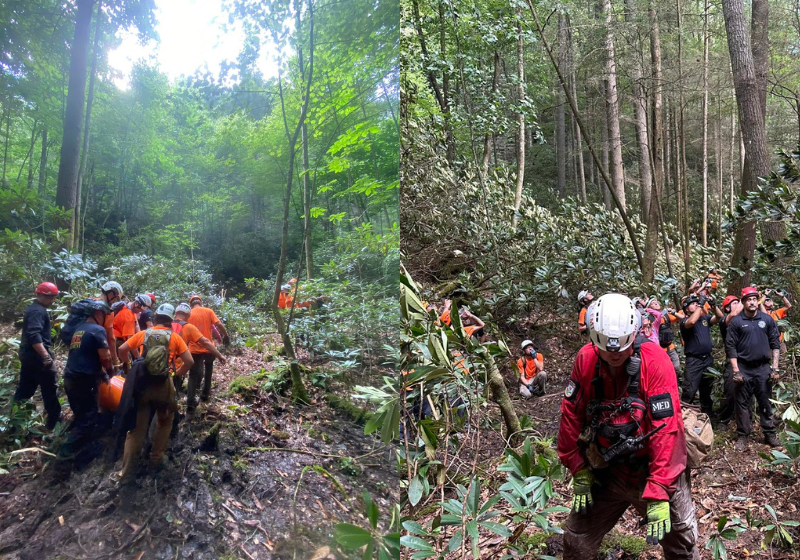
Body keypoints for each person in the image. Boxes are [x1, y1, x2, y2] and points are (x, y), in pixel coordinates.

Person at [558, 293, 697, 559]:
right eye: (608, 351)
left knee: (681, 542)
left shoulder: (654, 360)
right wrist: (577, 467)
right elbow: (571, 415)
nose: (615, 356)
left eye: (622, 349)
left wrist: (659, 488)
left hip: (652, 467)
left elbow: (667, 426)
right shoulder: (586, 359)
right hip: (606, 468)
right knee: (576, 539)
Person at [117, 304, 194, 480]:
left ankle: (126, 471)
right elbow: (189, 361)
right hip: (163, 384)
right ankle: (156, 459)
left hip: (142, 384)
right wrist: (176, 376)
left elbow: (122, 350)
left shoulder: (145, 333)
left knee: (136, 429)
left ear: (157, 316)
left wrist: (129, 366)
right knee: (165, 421)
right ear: (170, 320)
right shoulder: (174, 337)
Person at [54, 300, 115, 479]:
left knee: (82, 414)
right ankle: (64, 458)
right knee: (87, 420)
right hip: (83, 381)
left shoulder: (79, 330)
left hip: (70, 379)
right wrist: (110, 372)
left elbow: (85, 355)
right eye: (104, 315)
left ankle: (75, 445)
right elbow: (105, 357)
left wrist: (101, 374)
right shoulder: (97, 330)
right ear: (98, 313)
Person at [726, 287, 782, 451]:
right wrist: (736, 370)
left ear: (757, 300)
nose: (751, 302)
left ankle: (770, 433)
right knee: (742, 403)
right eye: (748, 299)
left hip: (763, 368)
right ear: (743, 302)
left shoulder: (767, 319)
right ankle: (743, 435)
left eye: (754, 299)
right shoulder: (736, 322)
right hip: (743, 368)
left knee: (765, 401)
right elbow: (731, 347)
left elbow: (775, 344)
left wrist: (775, 368)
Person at [14, 282, 61, 429]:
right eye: (50, 297)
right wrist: (46, 357)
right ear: (41, 295)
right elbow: (34, 335)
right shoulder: (37, 311)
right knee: (49, 388)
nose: (52, 301)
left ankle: (12, 418)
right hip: (36, 357)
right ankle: (54, 422)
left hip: (28, 355)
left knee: (26, 388)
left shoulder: (35, 308)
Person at [679, 293, 723, 415]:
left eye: (696, 303)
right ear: (687, 309)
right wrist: (701, 304)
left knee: (707, 389)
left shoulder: (704, 319)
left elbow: (719, 317)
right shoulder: (684, 321)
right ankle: (684, 416)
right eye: (693, 304)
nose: (696, 305)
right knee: (690, 389)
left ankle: (707, 415)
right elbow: (692, 322)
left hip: (707, 359)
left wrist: (714, 306)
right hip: (694, 361)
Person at [171, 303, 226, 392]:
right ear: (188, 315)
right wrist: (219, 355)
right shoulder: (189, 327)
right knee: (206, 370)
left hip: (160, 366)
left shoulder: (166, 325)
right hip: (176, 367)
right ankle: (203, 394)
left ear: (175, 313)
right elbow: (206, 341)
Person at [186, 295, 229, 410]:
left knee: (193, 374)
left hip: (194, 349)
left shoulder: (188, 314)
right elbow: (218, 324)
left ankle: (190, 400)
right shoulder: (208, 311)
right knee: (209, 369)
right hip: (209, 348)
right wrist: (225, 335)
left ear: (191, 304)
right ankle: (205, 394)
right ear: (200, 302)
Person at [717, 295, 742, 428]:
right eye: (735, 303)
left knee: (747, 393)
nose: (739, 305)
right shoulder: (724, 321)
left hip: (745, 360)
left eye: (739, 302)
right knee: (730, 392)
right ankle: (724, 419)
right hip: (731, 361)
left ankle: (745, 420)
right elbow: (734, 314)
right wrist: (745, 300)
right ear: (727, 308)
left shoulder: (745, 320)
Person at [99, 281, 125, 366]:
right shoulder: (108, 311)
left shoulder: (89, 303)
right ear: (110, 293)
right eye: (116, 298)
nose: (115, 301)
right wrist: (115, 359)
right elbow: (110, 338)